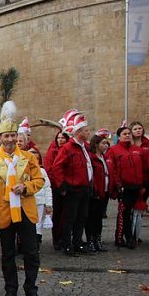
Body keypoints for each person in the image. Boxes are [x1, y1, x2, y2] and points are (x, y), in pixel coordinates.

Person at [0, 101, 45, 296]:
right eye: (6, 136)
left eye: (13, 136)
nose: (10, 140)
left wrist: (25, 187)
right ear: (0, 138)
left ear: (17, 137)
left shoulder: (28, 158)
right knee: (8, 254)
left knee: (31, 252)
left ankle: (31, 289)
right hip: (5, 213)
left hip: (26, 211)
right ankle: (11, 289)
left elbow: (40, 181)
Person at [49, 110, 93, 256]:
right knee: (70, 218)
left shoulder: (84, 146)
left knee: (82, 217)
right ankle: (67, 244)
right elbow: (57, 166)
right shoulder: (68, 147)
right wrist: (62, 185)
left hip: (84, 187)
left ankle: (77, 243)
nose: (89, 133)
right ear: (79, 131)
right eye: (86, 130)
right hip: (73, 188)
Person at [106, 124, 148, 249]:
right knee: (124, 213)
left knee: (134, 213)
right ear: (119, 137)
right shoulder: (114, 150)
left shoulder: (137, 150)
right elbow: (112, 169)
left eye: (129, 134)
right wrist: (118, 185)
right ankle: (122, 237)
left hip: (137, 186)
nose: (128, 136)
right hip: (124, 187)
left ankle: (133, 236)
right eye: (125, 134)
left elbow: (143, 168)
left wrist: (143, 184)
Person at [87, 130, 114, 252]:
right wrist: (95, 190)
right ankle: (90, 240)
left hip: (105, 191)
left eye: (106, 143)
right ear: (96, 144)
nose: (106, 146)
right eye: (103, 143)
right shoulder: (92, 158)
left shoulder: (105, 157)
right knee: (92, 217)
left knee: (99, 217)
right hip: (95, 193)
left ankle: (97, 239)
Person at [46, 128, 71, 250]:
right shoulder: (53, 151)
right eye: (59, 138)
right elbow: (50, 169)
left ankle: (65, 237)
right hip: (57, 186)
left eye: (63, 138)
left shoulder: (69, 151)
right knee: (57, 214)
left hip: (69, 185)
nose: (61, 140)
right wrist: (57, 184)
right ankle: (57, 238)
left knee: (66, 214)